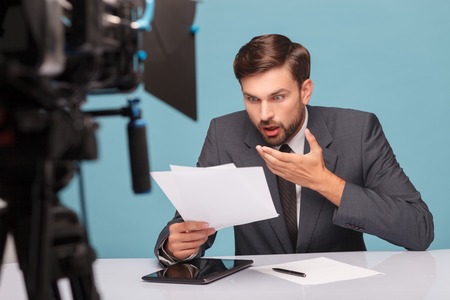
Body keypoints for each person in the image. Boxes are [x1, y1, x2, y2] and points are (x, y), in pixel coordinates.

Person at [154, 34, 434, 265]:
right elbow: (187, 225)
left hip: (342, 291)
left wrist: (326, 183)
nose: (264, 114)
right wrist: (177, 247)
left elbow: (419, 230)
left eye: (278, 97)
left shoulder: (359, 131)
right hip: (258, 291)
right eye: (252, 98)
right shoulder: (223, 133)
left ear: (305, 91)